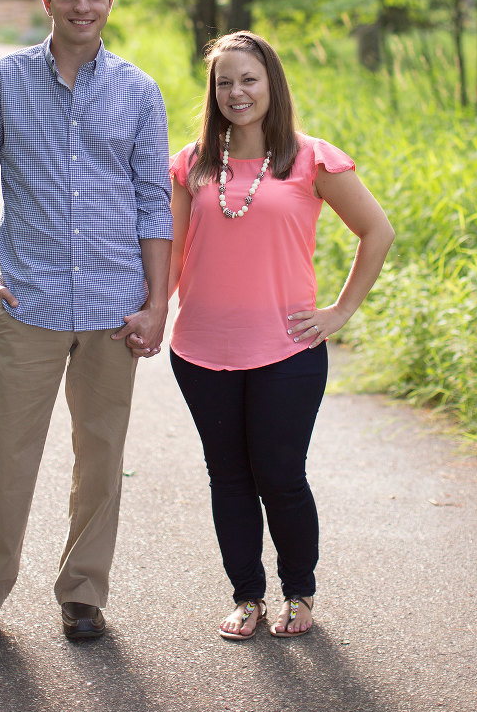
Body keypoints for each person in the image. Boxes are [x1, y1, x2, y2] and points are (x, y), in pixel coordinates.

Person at [0, 0, 172, 644]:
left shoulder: (139, 90)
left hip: (113, 305)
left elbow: (154, 202)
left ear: (109, 1)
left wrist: (157, 303)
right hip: (30, 301)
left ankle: (83, 593)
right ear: (46, 1)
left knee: (101, 458)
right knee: (1, 454)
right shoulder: (3, 80)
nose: (83, 5)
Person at [168, 31, 394, 640]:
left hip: (287, 352)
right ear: (213, 91)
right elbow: (172, 254)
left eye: (249, 79)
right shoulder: (192, 163)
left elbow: (377, 231)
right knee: (228, 478)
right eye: (224, 82)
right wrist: (148, 312)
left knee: (280, 475)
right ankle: (247, 597)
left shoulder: (311, 159)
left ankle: (300, 592)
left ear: (272, 84)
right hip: (201, 351)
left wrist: (340, 312)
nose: (236, 92)